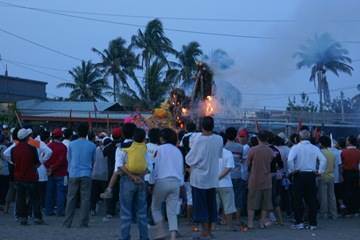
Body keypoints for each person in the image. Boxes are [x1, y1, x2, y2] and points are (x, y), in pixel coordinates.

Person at [186, 116, 223, 239]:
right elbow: (219, 155)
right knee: (211, 204)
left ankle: (205, 232)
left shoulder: (198, 140)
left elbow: (190, 159)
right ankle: (208, 231)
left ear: (201, 126)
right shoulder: (219, 139)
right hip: (212, 177)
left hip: (199, 179)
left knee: (201, 206)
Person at [288, 129, 327, 230]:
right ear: (309, 137)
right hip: (311, 175)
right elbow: (323, 160)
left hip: (299, 175)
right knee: (311, 200)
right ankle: (313, 223)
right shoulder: (314, 148)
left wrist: (292, 170)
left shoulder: (295, 147)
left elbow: (290, 160)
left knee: (297, 200)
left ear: (299, 138)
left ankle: (299, 222)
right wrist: (320, 171)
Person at [150, 128, 184, 240]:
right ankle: (173, 236)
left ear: (162, 138)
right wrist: (181, 183)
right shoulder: (177, 151)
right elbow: (181, 169)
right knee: (172, 211)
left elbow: (154, 167)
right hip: (176, 182)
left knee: (155, 207)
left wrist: (151, 182)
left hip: (161, 181)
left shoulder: (159, 149)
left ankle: (160, 231)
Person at [118, 127, 149, 240]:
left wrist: (132, 176)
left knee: (126, 212)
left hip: (127, 180)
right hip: (141, 181)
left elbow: (120, 166)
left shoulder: (122, 148)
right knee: (142, 212)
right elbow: (149, 166)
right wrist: (139, 177)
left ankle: (125, 237)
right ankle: (144, 237)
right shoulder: (145, 148)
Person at [63, 124, 96, 228]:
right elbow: (93, 160)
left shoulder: (72, 144)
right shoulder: (92, 145)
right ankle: (83, 222)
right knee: (85, 199)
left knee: (71, 198)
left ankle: (67, 222)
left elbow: (69, 159)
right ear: (87, 133)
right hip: (86, 173)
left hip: (73, 173)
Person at [12, 128, 43, 225]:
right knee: (35, 198)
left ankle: (23, 218)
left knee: (21, 198)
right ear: (27, 137)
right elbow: (37, 163)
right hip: (31, 177)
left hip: (19, 177)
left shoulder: (14, 149)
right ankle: (37, 217)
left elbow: (13, 162)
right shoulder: (32, 148)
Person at [247, 131, 274, 229]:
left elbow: (248, 163)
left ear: (258, 139)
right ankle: (262, 223)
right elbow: (271, 162)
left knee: (251, 202)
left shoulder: (252, 150)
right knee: (265, 204)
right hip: (266, 180)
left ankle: (250, 223)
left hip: (254, 179)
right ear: (267, 139)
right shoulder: (270, 151)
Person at [44, 128, 68, 216]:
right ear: (61, 136)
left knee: (49, 192)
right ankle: (60, 211)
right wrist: (53, 167)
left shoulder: (48, 145)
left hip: (50, 172)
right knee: (61, 193)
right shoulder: (63, 147)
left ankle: (48, 210)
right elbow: (61, 160)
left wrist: (49, 168)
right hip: (61, 172)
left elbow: (45, 159)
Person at [216, 134, 236, 231]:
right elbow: (228, 168)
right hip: (226, 184)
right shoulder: (228, 153)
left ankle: (212, 227)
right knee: (229, 206)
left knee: (213, 206)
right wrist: (219, 177)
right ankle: (229, 226)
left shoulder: (210, 152)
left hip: (212, 184)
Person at [224, 127, 243, 224]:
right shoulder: (240, 147)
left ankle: (226, 220)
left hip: (226, 176)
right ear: (236, 135)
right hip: (237, 174)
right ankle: (238, 219)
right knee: (238, 198)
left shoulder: (224, 147)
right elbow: (241, 160)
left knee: (227, 199)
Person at [101, 127, 121, 221]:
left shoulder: (110, 146)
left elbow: (104, 153)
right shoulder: (126, 145)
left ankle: (110, 211)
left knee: (111, 191)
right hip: (123, 172)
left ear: (112, 136)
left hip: (111, 172)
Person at [318, 135, 337, 219]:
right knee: (332, 196)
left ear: (321, 143)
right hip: (331, 176)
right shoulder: (332, 153)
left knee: (323, 196)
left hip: (322, 176)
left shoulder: (319, 152)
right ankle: (333, 214)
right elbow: (334, 166)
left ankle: (324, 214)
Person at [340, 135, 360, 217]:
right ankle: (355, 210)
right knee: (356, 191)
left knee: (347, 191)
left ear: (349, 142)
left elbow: (341, 164)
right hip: (356, 173)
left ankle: (348, 210)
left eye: (347, 140)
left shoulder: (343, 152)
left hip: (346, 173)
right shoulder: (358, 152)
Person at [0, 134, 9, 210]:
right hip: (4, 169)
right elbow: (6, 158)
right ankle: (2, 203)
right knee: (4, 187)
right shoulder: (4, 147)